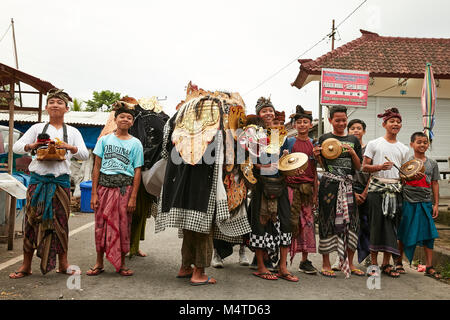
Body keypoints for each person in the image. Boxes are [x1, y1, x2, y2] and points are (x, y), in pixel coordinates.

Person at [9, 88, 89, 279]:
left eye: (59, 102)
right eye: (52, 102)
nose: (55, 105)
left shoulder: (73, 131)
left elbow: (85, 154)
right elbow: (16, 147)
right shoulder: (37, 128)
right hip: (38, 183)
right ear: (46, 107)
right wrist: (33, 146)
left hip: (60, 184)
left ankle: (63, 264)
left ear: (66, 109)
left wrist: (68, 147)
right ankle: (26, 265)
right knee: (31, 222)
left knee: (61, 224)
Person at [87, 103, 144, 276]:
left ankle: (122, 264)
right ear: (115, 119)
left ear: (132, 122)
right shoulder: (104, 140)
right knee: (101, 226)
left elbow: (137, 171)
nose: (125, 119)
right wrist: (94, 193)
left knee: (123, 226)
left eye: (129, 117)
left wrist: (133, 196)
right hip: (104, 188)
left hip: (123, 190)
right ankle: (99, 263)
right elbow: (96, 167)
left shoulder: (136, 144)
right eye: (122, 116)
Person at [249, 97, 298, 282]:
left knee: (285, 223)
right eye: (264, 111)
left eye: (270, 110)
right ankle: (261, 266)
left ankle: (283, 267)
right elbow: (248, 161)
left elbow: (286, 161)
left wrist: (288, 160)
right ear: (259, 115)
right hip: (261, 184)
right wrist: (262, 167)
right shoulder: (252, 133)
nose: (268, 113)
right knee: (261, 223)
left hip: (280, 183)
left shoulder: (281, 135)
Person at [313, 106, 364, 278]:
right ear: (330, 121)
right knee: (327, 220)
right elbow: (321, 164)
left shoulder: (353, 140)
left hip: (348, 185)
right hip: (329, 184)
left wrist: (352, 153)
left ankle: (350, 263)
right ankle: (326, 263)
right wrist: (317, 155)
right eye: (338, 120)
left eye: (344, 120)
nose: (341, 123)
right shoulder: (324, 138)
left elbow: (358, 166)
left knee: (352, 223)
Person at [362, 108, 409, 278]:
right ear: (384, 124)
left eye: (398, 122)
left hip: (395, 190)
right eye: (392, 121)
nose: (395, 124)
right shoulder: (374, 144)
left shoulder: (403, 148)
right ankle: (373, 264)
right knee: (376, 226)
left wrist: (412, 174)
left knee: (391, 227)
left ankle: (386, 264)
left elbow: (404, 172)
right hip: (377, 189)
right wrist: (380, 167)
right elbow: (364, 167)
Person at [397, 132, 441, 279]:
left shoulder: (432, 163)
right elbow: (401, 182)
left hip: (426, 202)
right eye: (419, 142)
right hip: (408, 201)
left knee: (429, 234)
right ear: (411, 144)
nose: (422, 145)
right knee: (404, 231)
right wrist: (410, 176)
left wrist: (436, 204)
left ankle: (429, 266)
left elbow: (434, 183)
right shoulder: (407, 161)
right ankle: (398, 263)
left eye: (425, 142)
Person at [281, 105, 318, 275]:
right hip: (290, 188)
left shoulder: (314, 144)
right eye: (299, 122)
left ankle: (304, 260)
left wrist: (316, 193)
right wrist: (284, 156)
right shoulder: (289, 141)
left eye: (306, 122)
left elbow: (316, 170)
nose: (302, 125)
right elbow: (281, 165)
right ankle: (282, 262)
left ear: (311, 125)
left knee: (308, 224)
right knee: (289, 223)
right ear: (294, 125)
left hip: (307, 189)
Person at [332, 119, 371, 271]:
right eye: (353, 128)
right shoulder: (342, 148)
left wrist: (365, 192)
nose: (356, 131)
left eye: (359, 128)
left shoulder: (369, 148)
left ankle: (357, 259)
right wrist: (353, 192)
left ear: (364, 131)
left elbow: (373, 174)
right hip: (347, 188)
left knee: (363, 226)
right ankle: (339, 259)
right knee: (343, 225)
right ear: (348, 131)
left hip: (366, 190)